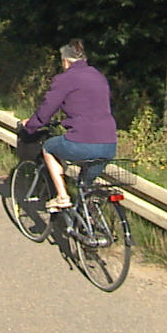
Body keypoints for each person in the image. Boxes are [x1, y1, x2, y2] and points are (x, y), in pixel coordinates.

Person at [20, 40, 118, 211]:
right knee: (85, 187)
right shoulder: (98, 76)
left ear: (65, 61)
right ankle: (89, 219)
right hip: (109, 144)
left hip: (83, 141)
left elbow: (47, 109)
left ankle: (62, 197)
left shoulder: (65, 79)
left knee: (49, 148)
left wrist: (30, 125)